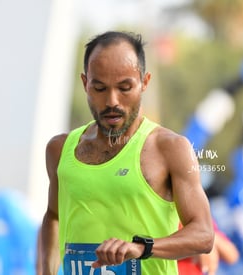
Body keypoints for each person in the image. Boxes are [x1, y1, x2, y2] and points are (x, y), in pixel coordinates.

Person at [39, 31, 214, 275]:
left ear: (144, 82)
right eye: (99, 88)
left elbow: (204, 234)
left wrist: (142, 248)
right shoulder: (59, 150)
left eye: (124, 88)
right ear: (85, 83)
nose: (112, 101)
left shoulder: (170, 148)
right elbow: (53, 217)